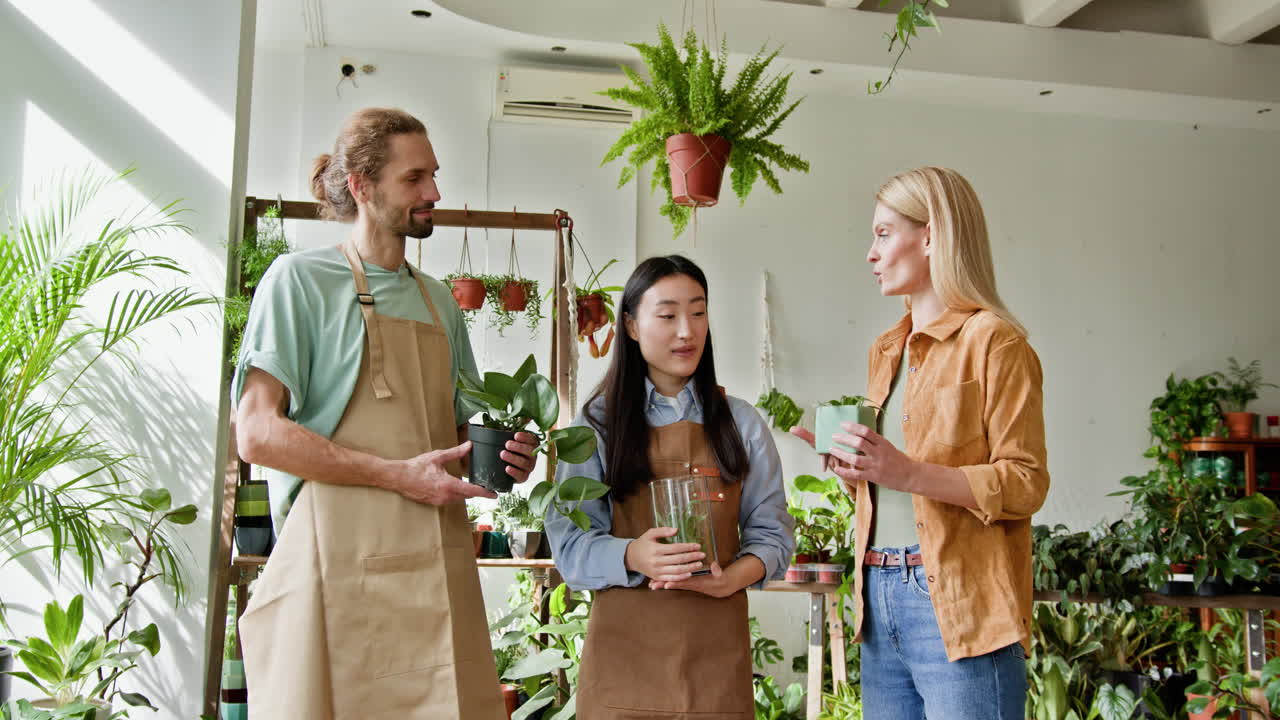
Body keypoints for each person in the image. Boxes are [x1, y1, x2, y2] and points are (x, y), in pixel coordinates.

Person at [233, 107, 538, 719]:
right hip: (334, 567)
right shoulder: (299, 282)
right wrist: (396, 474)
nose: (434, 193)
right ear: (361, 186)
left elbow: (459, 437)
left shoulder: (440, 303)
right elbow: (257, 433)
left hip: (437, 569)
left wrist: (507, 456)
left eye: (434, 175)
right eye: (414, 178)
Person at [792, 166, 1049, 719]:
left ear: (932, 236)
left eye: (884, 234)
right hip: (877, 596)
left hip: (960, 604)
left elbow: (1026, 483)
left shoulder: (996, 342)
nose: (871, 252)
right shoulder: (886, 349)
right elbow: (896, 484)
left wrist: (906, 472)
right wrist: (856, 470)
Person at [546, 255, 795, 718]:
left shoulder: (741, 423)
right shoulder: (596, 425)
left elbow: (773, 533)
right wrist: (632, 555)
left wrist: (732, 580)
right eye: (667, 315)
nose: (687, 330)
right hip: (623, 663)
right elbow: (569, 545)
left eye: (698, 312)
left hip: (715, 662)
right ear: (633, 326)